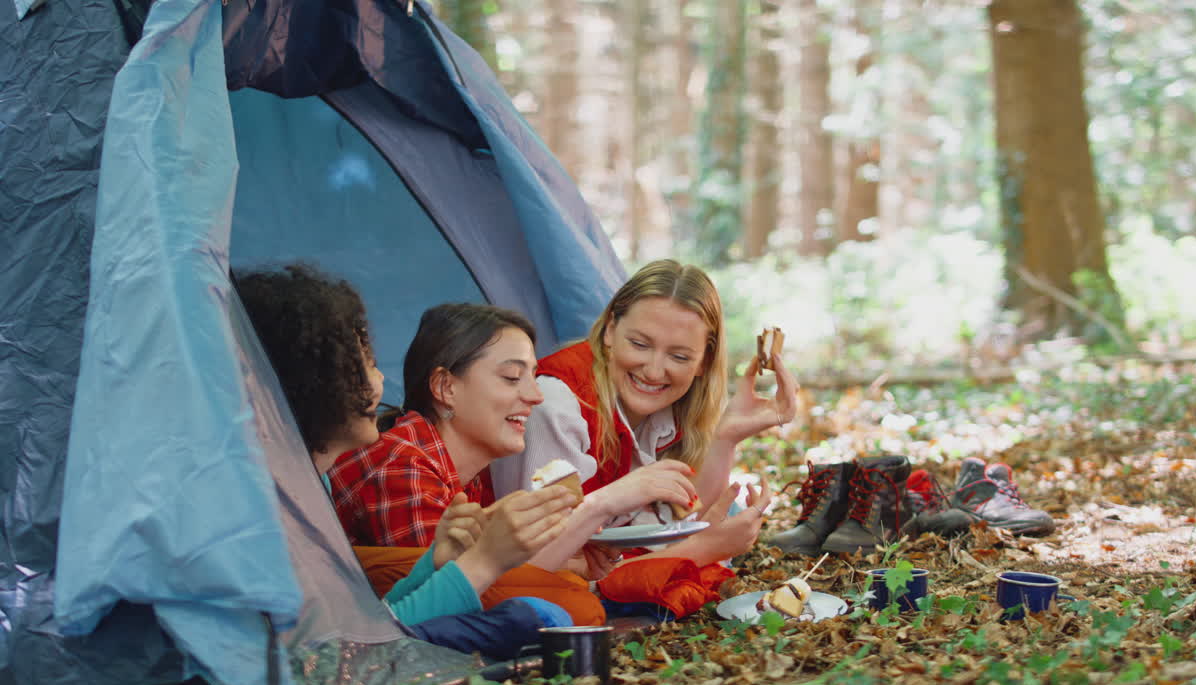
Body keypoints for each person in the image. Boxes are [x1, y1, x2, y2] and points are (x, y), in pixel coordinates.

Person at [234, 265, 574, 658]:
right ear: (317, 376)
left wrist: (435, 563)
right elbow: (352, 650)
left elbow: (373, 619)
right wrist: (485, 561)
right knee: (532, 618)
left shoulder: (312, 482)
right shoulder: (271, 500)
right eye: (367, 362)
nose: (380, 380)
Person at [490, 259, 797, 611]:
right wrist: (702, 550)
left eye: (679, 356)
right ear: (609, 331)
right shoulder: (555, 405)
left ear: (703, 362)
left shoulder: (668, 408)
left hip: (592, 561)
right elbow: (536, 568)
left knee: (730, 511)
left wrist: (726, 437)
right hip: (536, 573)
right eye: (639, 344)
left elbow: (684, 514)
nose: (654, 370)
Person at [327, 303, 657, 620]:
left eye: (533, 376)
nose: (536, 395)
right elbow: (455, 593)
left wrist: (580, 563)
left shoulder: (471, 475)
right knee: (569, 602)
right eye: (513, 377)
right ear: (445, 387)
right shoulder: (400, 464)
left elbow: (488, 574)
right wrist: (599, 508)